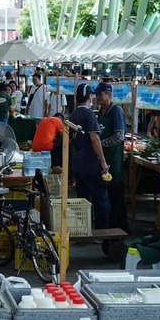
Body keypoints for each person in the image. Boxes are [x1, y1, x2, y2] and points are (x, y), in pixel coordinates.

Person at [63, 84, 110, 230]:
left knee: (82, 201)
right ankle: (101, 232)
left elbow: (70, 139)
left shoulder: (73, 114)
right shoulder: (89, 114)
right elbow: (94, 138)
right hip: (91, 163)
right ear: (90, 97)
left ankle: (84, 229)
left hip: (78, 163)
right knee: (100, 199)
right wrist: (103, 161)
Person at [94, 82, 128, 230]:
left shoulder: (116, 111)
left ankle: (122, 228)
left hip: (113, 161)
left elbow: (119, 136)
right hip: (103, 160)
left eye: (100, 94)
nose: (97, 97)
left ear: (109, 94)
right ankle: (110, 227)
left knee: (116, 196)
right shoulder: (101, 112)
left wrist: (100, 144)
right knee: (105, 197)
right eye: (97, 95)